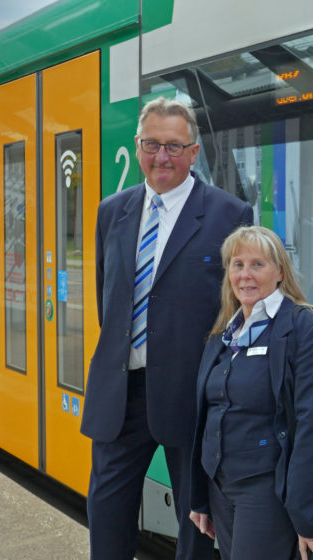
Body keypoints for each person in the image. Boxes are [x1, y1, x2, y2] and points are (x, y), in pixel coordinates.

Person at [80, 97, 253, 560]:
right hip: (120, 395)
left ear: (194, 152)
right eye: (152, 144)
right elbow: (108, 301)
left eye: (174, 147)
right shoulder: (110, 212)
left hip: (192, 398)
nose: (162, 157)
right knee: (107, 516)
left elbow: (237, 315)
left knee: (196, 526)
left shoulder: (229, 214)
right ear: (137, 147)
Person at [188, 226, 313, 560]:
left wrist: (305, 516)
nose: (245, 275)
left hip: (267, 490)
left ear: (280, 272)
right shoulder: (224, 333)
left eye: (257, 265)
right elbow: (207, 416)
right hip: (221, 488)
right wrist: (200, 497)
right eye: (237, 265)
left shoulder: (308, 329)